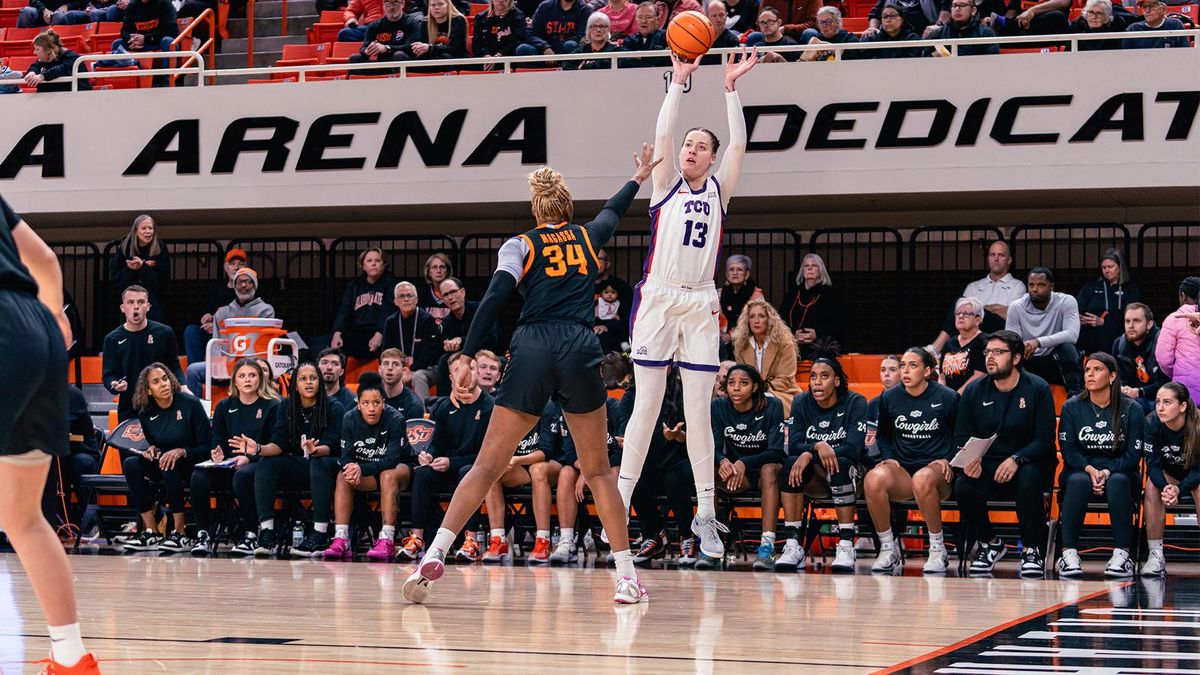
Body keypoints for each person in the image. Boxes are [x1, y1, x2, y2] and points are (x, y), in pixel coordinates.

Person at [402, 144, 661, 606]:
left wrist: (466, 350)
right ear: (566, 206)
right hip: (580, 346)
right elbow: (612, 212)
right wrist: (638, 177)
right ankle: (625, 576)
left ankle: (433, 553)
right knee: (599, 471)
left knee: (485, 465)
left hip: (533, 347)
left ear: (536, 209)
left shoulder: (521, 244)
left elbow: (497, 295)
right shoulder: (587, 237)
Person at [617, 48, 758, 574]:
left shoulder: (721, 189)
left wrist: (729, 89)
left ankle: (704, 513)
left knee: (698, 411)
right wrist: (678, 82)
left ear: (712, 157)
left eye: (702, 146)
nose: (692, 150)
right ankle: (623, 500)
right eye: (689, 145)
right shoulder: (664, 185)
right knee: (646, 407)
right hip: (659, 296)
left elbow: (739, 143)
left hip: (700, 299)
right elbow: (665, 130)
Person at [0, 194, 98, 673]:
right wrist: (54, 317)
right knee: (20, 516)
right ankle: (72, 657)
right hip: (36, 325)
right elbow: (44, 258)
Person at [953, 330, 1056, 577]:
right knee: (963, 485)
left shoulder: (1037, 388)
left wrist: (1016, 458)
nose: (990, 357)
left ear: (1017, 358)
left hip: (1028, 462)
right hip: (988, 463)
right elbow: (960, 437)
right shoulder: (974, 390)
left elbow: (1044, 439)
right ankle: (990, 543)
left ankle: (1031, 549)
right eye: (988, 352)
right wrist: (969, 460)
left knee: (1029, 476)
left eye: (998, 352)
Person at [866, 348, 959, 574]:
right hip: (904, 471)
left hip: (937, 472)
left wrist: (949, 459)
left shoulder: (947, 397)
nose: (906, 371)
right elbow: (884, 434)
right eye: (903, 366)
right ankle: (888, 548)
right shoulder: (889, 398)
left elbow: (962, 434)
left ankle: (937, 549)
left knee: (923, 478)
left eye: (913, 366)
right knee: (872, 479)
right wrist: (888, 457)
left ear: (927, 371)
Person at [399, 353, 495, 563]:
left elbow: (487, 454)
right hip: (446, 467)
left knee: (468, 472)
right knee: (423, 473)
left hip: (474, 468)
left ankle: (472, 541)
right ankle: (417, 538)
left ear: (477, 372)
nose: (466, 374)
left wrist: (452, 462)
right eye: (459, 370)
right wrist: (429, 454)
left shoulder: (490, 406)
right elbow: (437, 441)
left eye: (470, 369)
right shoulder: (443, 406)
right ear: (452, 377)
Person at [1055, 352, 1143, 578]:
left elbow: (1134, 454)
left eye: (1097, 369)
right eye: (1087, 370)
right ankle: (1069, 554)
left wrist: (1106, 470)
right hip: (1081, 470)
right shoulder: (1072, 407)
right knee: (1077, 480)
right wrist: (1090, 469)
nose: (1090, 374)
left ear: (1112, 376)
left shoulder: (1131, 408)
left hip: (1121, 471)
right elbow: (1069, 451)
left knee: (1118, 481)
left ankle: (1123, 554)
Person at [780, 358, 869, 572]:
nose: (817, 382)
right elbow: (794, 446)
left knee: (841, 464)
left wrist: (811, 454)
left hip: (853, 474)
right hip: (817, 478)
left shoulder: (855, 402)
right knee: (792, 463)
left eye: (824, 376)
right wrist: (816, 447)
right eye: (813, 376)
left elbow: (855, 449)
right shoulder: (801, 402)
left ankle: (846, 544)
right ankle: (793, 545)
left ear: (837, 381)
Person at [253, 362, 345, 556]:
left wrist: (315, 449)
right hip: (300, 465)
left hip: (328, 465)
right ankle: (267, 532)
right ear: (295, 385)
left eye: (313, 378)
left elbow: (332, 444)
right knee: (267, 464)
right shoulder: (286, 405)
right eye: (303, 379)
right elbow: (279, 444)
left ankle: (319, 534)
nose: (308, 382)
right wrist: (258, 448)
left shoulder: (334, 406)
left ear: (319, 382)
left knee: (319, 463)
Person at [192, 356, 281, 556]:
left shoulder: (273, 406)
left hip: (260, 463)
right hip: (229, 464)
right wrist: (217, 453)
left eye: (252, 375)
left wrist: (250, 457)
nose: (247, 379)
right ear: (235, 381)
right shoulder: (225, 406)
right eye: (242, 375)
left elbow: (276, 445)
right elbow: (217, 439)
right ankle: (202, 534)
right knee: (198, 478)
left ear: (260, 379)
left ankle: (250, 534)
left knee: (243, 476)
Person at [120, 363, 212, 553]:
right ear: (148, 391)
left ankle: (180, 533)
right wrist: (151, 450)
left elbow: (207, 447)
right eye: (156, 382)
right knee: (131, 464)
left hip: (193, 461)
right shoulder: (146, 413)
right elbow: (157, 444)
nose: (164, 384)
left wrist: (181, 451)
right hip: (167, 463)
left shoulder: (190, 404)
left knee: (170, 462)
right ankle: (151, 531)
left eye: (165, 378)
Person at [321, 372, 413, 561]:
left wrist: (361, 469)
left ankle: (386, 538)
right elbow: (345, 457)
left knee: (387, 474)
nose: (371, 408)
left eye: (376, 403)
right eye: (366, 403)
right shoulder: (349, 418)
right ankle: (341, 538)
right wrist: (351, 469)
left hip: (399, 470)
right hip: (368, 472)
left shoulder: (395, 419)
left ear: (383, 403)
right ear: (358, 403)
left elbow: (392, 460)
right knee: (343, 476)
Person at [712, 364, 785, 571]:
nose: (736, 388)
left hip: (764, 473)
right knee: (708, 470)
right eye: (732, 383)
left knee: (769, 469)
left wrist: (745, 462)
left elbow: (777, 451)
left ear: (754, 387)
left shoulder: (773, 406)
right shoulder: (718, 407)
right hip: (736, 474)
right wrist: (722, 461)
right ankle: (711, 543)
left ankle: (767, 545)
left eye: (743, 383)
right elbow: (713, 447)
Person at [481, 401, 565, 563]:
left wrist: (517, 460)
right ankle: (498, 540)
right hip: (520, 465)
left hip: (552, 464)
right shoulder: (506, 408)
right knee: (492, 473)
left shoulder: (547, 407)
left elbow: (545, 452)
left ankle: (543, 540)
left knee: (537, 470)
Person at [185, 267, 275, 397]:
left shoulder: (265, 310)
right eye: (239, 282)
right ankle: (195, 412)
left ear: (254, 285)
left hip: (254, 364)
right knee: (192, 370)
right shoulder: (222, 313)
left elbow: (264, 344)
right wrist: (218, 367)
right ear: (233, 285)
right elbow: (216, 343)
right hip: (226, 366)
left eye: (248, 282)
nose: (243, 285)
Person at [1140, 382, 1200, 578]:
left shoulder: (1198, 425)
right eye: (1158, 402)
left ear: (1182, 406)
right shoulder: (1151, 422)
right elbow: (1153, 465)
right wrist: (1167, 488)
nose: (1160, 407)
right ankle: (1156, 556)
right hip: (1170, 474)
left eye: (1167, 402)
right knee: (1151, 486)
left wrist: (1180, 490)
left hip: (1195, 476)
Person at [102, 285, 184, 421]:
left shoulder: (164, 333)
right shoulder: (112, 339)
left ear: (148, 306)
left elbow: (173, 365)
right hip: (130, 407)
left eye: (140, 302)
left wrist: (183, 386)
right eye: (130, 302)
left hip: (162, 404)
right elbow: (108, 375)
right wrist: (114, 384)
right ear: (123, 308)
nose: (136, 307)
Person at [930, 240, 1025, 354]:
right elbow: (962, 311)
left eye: (1001, 255)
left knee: (966, 310)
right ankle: (941, 349)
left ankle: (936, 348)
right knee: (960, 306)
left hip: (999, 331)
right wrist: (994, 308)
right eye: (992, 254)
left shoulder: (1017, 285)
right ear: (988, 258)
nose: (996, 258)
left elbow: (1010, 314)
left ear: (1009, 260)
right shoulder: (974, 286)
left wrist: (977, 309)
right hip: (972, 331)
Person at [1005, 267, 1083, 396]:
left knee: (1068, 348)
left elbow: (1072, 335)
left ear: (1051, 287)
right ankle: (1015, 397)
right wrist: (1023, 346)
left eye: (1041, 285)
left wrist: (1037, 342)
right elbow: (1011, 340)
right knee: (1013, 352)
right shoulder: (1016, 306)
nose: (1035, 289)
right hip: (1029, 358)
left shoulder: (1066, 301)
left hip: (1055, 359)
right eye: (1031, 285)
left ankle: (1076, 397)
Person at [328, 247, 398, 360]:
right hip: (358, 332)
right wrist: (337, 332)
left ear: (383, 265)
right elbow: (344, 310)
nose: (374, 264)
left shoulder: (391, 283)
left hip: (381, 333)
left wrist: (380, 334)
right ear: (363, 266)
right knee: (335, 346)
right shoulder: (354, 285)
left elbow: (388, 310)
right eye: (369, 261)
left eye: (378, 260)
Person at [731, 297, 801, 408]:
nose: (756, 321)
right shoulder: (741, 345)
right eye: (752, 317)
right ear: (747, 321)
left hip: (782, 393)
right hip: (750, 393)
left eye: (761, 316)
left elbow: (785, 379)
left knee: (765, 402)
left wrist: (761, 389)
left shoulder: (785, 343)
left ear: (769, 320)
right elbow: (742, 376)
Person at [382, 281, 444, 400]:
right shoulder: (391, 322)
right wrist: (399, 369)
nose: (406, 299)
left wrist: (411, 370)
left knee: (418, 377)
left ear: (416, 299)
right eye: (402, 296)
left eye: (409, 295)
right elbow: (386, 351)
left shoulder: (427, 319)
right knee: (383, 376)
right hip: (399, 368)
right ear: (395, 301)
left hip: (425, 368)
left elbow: (430, 353)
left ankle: (423, 414)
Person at [184, 248, 247, 366]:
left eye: (241, 264)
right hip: (215, 336)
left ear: (246, 267)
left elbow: (245, 317)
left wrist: (217, 327)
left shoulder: (249, 290)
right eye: (232, 264)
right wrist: (205, 317)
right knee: (191, 331)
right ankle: (197, 369)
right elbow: (205, 311)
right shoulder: (216, 289)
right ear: (225, 267)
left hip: (238, 338)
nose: (236, 267)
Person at [778, 253, 845, 358]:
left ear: (820, 270)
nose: (810, 268)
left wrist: (817, 333)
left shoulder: (831, 294)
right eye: (806, 266)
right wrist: (793, 335)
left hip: (822, 349)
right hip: (794, 349)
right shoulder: (793, 293)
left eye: (814, 265)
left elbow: (839, 323)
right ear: (802, 271)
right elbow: (780, 320)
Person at [1077, 249, 1141, 357]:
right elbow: (1077, 308)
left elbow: (1131, 315)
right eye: (1104, 267)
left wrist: (1103, 322)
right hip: (1091, 339)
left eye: (1110, 267)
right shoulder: (1090, 287)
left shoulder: (1131, 289)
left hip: (1118, 339)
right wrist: (1079, 319)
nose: (1106, 270)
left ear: (1120, 267)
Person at [107, 215, 169, 322]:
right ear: (136, 231)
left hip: (153, 301)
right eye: (144, 228)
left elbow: (162, 281)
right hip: (129, 300)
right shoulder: (125, 249)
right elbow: (115, 278)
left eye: (150, 228)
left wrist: (143, 267)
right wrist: (130, 269)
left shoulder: (160, 248)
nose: (148, 231)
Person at [1113, 302, 1167, 414]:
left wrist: (1140, 392)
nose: (1130, 325)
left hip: (1160, 400)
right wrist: (1122, 388)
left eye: (1136, 321)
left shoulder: (1162, 341)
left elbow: (1168, 382)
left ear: (1149, 324)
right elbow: (1117, 378)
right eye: (1127, 321)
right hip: (1132, 399)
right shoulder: (1119, 344)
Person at [114, 0, 178, 86]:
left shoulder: (165, 4)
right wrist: (132, 38)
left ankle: (168, 82)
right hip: (140, 44)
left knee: (168, 41)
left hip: (158, 42)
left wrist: (145, 39)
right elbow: (124, 31)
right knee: (117, 44)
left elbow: (172, 31)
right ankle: (121, 82)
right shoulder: (132, 6)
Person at [1156, 277, 1200, 401]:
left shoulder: (1174, 319)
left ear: (1183, 296)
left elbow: (1163, 359)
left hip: (1185, 389)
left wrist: (1178, 372)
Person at [347, 0, 420, 68]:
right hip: (382, 64)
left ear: (402, 4)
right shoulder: (375, 25)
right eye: (388, 3)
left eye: (395, 3)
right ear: (383, 5)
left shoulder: (412, 23)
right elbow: (364, 47)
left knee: (399, 55)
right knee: (354, 58)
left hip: (405, 64)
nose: (392, 7)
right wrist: (367, 51)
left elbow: (411, 47)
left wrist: (387, 48)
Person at [939, 297, 987, 394]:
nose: (960, 316)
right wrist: (943, 396)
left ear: (977, 320)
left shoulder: (984, 342)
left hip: (972, 396)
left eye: (966, 314)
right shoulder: (950, 343)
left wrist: (957, 396)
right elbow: (942, 377)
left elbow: (979, 375)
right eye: (958, 313)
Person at [23, 30, 90, 93]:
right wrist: (32, 72)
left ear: (48, 50)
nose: (34, 52)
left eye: (37, 49)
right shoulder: (44, 60)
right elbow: (35, 66)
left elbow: (61, 69)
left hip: (77, 98)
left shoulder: (71, 57)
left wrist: (43, 76)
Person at [924, 0, 999, 55]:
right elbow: (926, 58)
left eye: (962, 5)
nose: (957, 9)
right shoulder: (939, 33)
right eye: (954, 5)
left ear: (973, 10)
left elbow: (992, 62)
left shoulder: (985, 33)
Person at [866, 354, 901, 464]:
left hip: (904, 458)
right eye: (883, 370)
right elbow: (870, 440)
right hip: (879, 459)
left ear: (902, 373)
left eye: (892, 370)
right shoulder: (873, 404)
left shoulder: (910, 402)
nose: (886, 374)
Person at [851, 3, 921, 58]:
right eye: (885, 16)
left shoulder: (913, 39)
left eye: (893, 16)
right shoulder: (872, 38)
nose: (888, 20)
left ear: (902, 20)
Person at [719, 254, 763, 341]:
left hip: (747, 341)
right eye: (731, 270)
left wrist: (731, 336)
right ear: (727, 274)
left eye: (739, 270)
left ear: (746, 274)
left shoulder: (756, 295)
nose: (735, 273)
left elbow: (757, 322)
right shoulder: (719, 294)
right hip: (722, 341)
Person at [527, 0, 591, 55]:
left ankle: (568, 68)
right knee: (523, 48)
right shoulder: (544, 7)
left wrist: (558, 46)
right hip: (544, 51)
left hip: (569, 50)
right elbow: (531, 33)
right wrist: (545, 47)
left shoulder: (585, 10)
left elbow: (582, 35)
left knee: (570, 45)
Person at [379, 348, 425, 420]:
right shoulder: (371, 397)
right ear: (379, 370)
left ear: (404, 371)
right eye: (386, 363)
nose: (390, 368)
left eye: (396, 364)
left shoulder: (413, 405)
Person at [1123, 0, 1190, 48]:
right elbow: (1126, 58)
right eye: (1144, 7)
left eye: (1152, 6)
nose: (1147, 10)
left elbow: (1185, 54)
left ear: (1164, 9)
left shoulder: (1175, 25)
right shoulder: (1133, 29)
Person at [982, 0, 1069, 37]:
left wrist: (1032, 11)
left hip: (1051, 36)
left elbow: (1063, 2)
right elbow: (1010, 15)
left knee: (1057, 16)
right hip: (1025, 35)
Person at [863, 0, 946, 39]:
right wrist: (872, 28)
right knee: (868, 37)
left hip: (927, 35)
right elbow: (875, 14)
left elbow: (947, 7)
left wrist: (938, 25)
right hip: (894, 36)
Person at [622, 1, 669, 66]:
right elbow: (625, 62)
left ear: (658, 20)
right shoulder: (629, 40)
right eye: (640, 17)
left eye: (649, 17)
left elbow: (667, 60)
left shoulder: (666, 37)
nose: (644, 21)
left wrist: (639, 56)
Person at [594, 278, 629, 354]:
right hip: (599, 323)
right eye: (606, 292)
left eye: (613, 293)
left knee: (620, 329)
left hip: (613, 324)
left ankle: (623, 343)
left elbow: (623, 319)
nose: (610, 295)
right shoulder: (598, 302)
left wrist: (617, 317)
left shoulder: (618, 304)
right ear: (601, 294)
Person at [417, 252, 453, 320]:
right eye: (434, 267)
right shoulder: (422, 294)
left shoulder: (454, 292)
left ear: (447, 271)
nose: (439, 271)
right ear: (429, 272)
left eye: (442, 267)